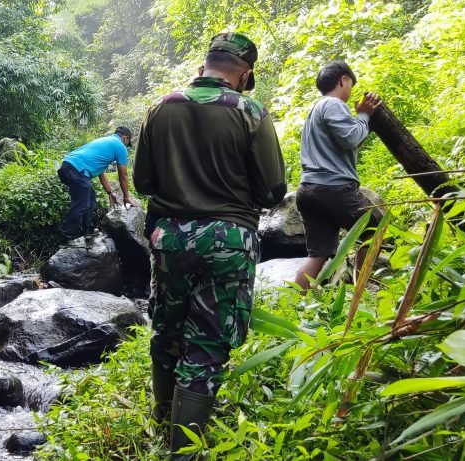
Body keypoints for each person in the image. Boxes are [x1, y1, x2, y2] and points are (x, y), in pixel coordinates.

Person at [133, 32, 285, 458]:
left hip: (170, 237)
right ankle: (183, 451)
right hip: (229, 240)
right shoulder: (251, 112)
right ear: (245, 72)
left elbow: (143, 182)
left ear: (205, 66)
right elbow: (273, 191)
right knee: (207, 345)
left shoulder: (160, 107)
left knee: (167, 332)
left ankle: (162, 425)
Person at [293, 62, 383, 292]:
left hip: (308, 190)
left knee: (319, 253)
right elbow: (351, 138)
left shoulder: (315, 110)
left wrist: (360, 119)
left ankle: (292, 305)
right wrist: (363, 115)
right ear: (343, 80)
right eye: (351, 84)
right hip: (331, 188)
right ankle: (361, 293)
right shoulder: (333, 104)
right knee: (375, 227)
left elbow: (345, 140)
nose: (351, 90)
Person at [58, 126, 140, 247]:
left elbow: (102, 174)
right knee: (81, 203)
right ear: (125, 138)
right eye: (127, 143)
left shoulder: (105, 142)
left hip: (68, 166)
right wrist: (126, 197)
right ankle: (67, 238)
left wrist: (110, 192)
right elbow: (123, 175)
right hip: (76, 169)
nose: (126, 145)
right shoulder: (120, 146)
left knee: (90, 198)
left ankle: (88, 231)